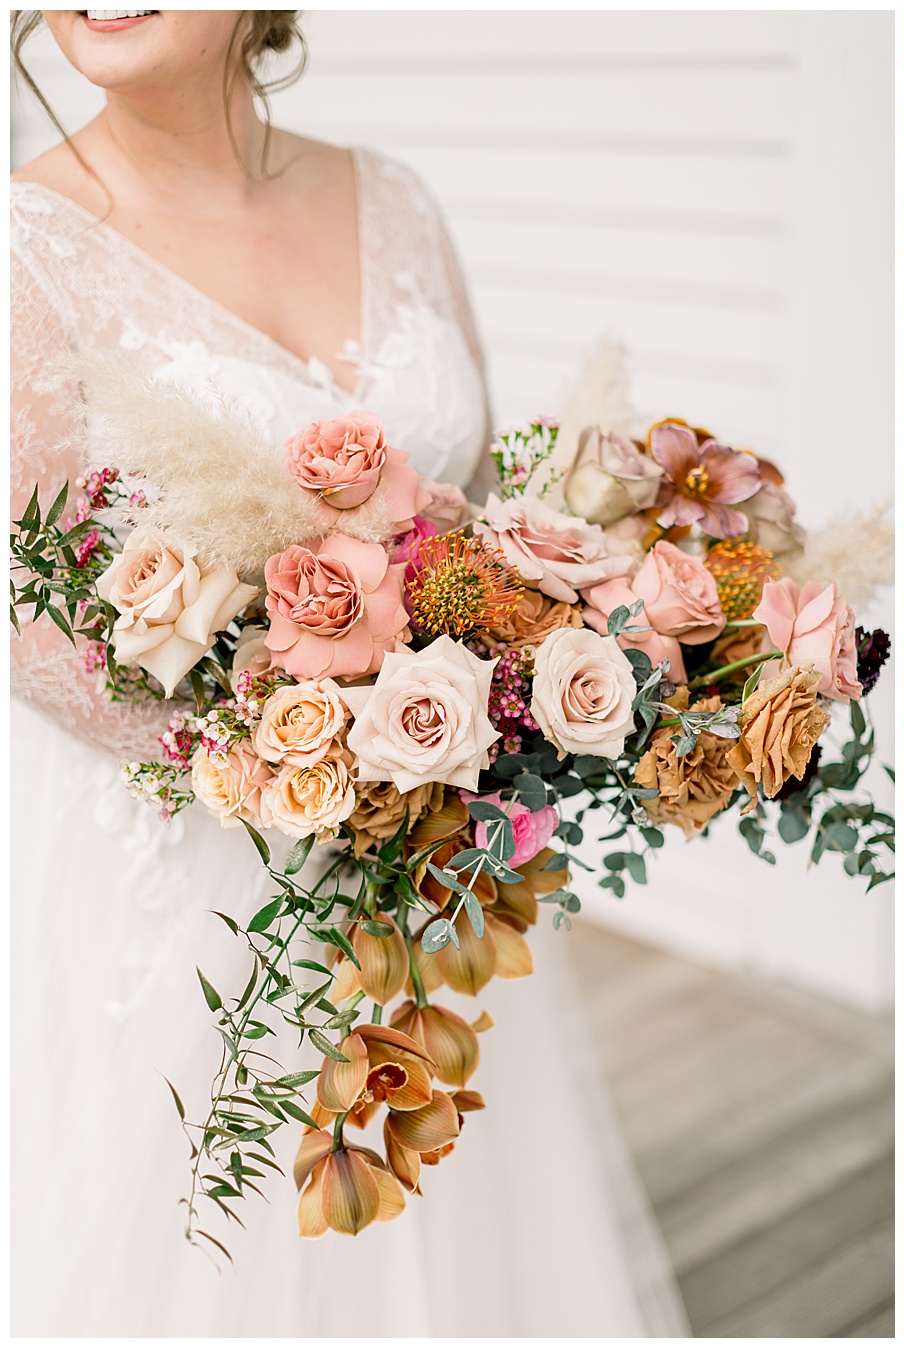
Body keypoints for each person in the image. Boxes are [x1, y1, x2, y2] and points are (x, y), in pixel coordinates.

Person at [10, 11, 686, 1333]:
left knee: (421, 1209)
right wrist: (293, 755)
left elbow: (476, 507)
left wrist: (509, 678)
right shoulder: (24, 246)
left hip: (424, 836)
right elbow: (22, 613)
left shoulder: (398, 201)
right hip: (180, 865)